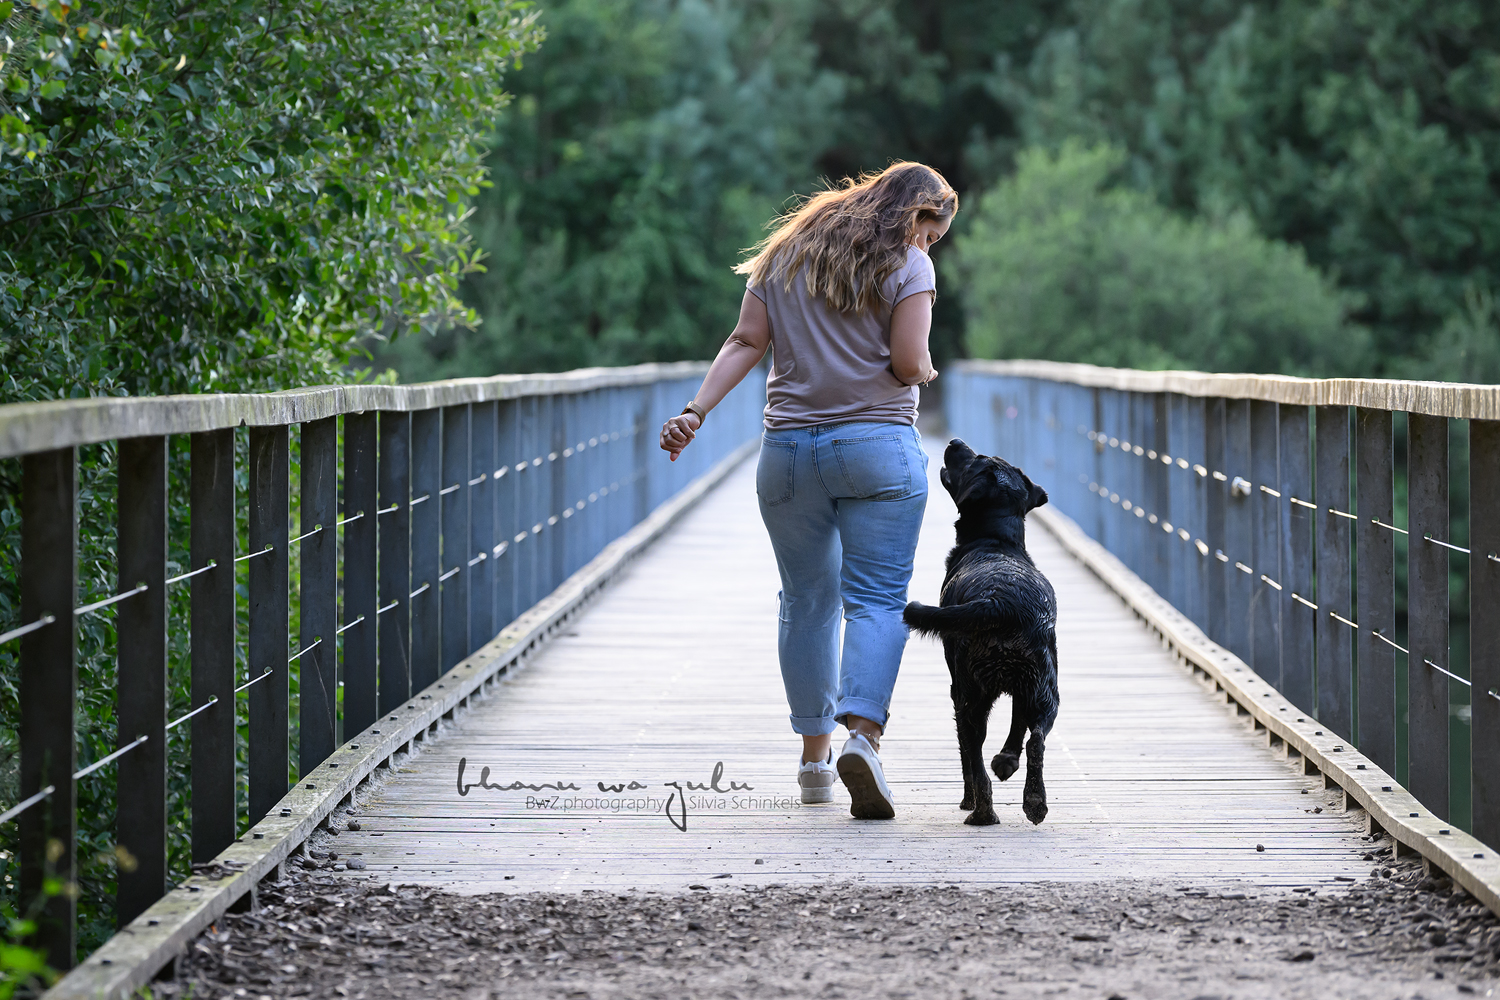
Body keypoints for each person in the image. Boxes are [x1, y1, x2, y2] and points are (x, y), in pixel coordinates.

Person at [659, 162, 956, 819]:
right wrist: (927, 367)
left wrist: (696, 411)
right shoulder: (908, 264)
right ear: (914, 212)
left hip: (789, 454)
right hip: (876, 450)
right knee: (876, 600)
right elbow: (908, 363)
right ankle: (864, 740)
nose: (931, 244)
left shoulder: (787, 254)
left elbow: (744, 341)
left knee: (805, 601)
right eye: (932, 228)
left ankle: (814, 763)